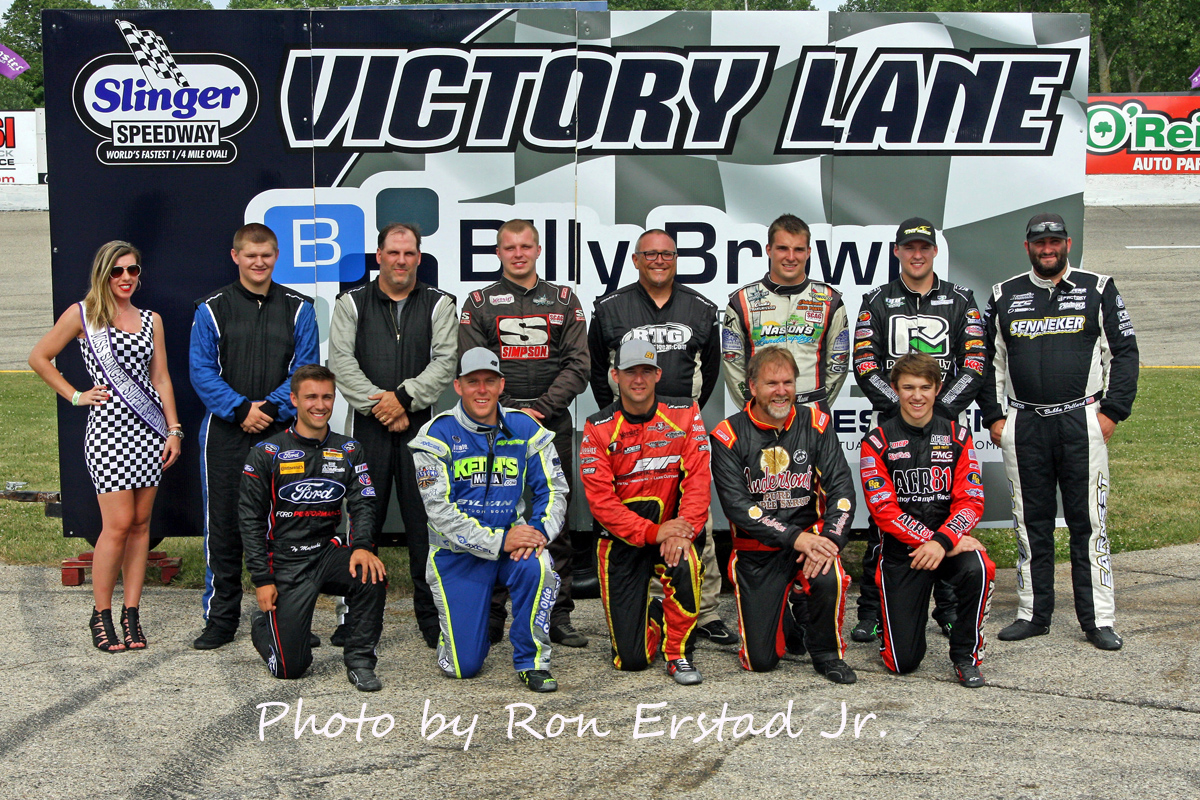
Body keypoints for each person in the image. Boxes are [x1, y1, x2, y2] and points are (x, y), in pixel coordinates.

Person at [978, 212, 1139, 651]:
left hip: (1080, 421)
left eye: (1054, 242)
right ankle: (1033, 612)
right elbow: (986, 361)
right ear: (1027, 246)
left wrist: (1111, 413)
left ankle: (1098, 619)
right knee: (1031, 524)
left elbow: (1123, 353)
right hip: (1025, 422)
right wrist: (995, 418)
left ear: (1067, 243)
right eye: (1038, 243)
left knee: (1089, 523)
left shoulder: (1098, 288)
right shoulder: (1004, 294)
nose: (1046, 249)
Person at [30, 241, 182, 652]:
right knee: (115, 526)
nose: (127, 278)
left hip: (150, 433)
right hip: (109, 434)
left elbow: (162, 378)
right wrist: (76, 395)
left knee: (140, 527)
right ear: (103, 274)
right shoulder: (83, 315)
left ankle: (131, 615)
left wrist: (173, 429)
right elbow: (40, 356)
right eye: (117, 272)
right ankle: (101, 616)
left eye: (133, 270)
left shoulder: (152, 319)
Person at [587, 228, 734, 647]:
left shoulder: (701, 308)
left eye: (666, 254)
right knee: (642, 510)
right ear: (636, 260)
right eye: (649, 254)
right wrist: (623, 412)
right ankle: (655, 603)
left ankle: (704, 611)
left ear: (676, 259)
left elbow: (712, 370)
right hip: (630, 423)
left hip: (682, 422)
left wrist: (682, 410)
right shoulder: (611, 307)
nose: (658, 261)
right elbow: (601, 370)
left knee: (694, 513)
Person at [849, 217, 988, 644]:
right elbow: (865, 362)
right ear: (897, 252)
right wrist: (900, 409)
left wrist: (938, 409)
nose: (916, 254)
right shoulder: (876, 300)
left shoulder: (961, 299)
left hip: (945, 422)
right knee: (884, 524)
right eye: (908, 247)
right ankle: (873, 610)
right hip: (894, 424)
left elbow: (976, 362)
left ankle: (946, 610)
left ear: (934, 252)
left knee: (945, 513)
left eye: (923, 248)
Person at [458, 219, 590, 648]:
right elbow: (473, 367)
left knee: (556, 520)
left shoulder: (564, 299)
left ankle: (559, 613)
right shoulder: (478, 303)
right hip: (495, 426)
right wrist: (508, 413)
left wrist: (540, 410)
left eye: (526, 246)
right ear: (498, 253)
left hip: (550, 423)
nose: (518, 253)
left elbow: (579, 365)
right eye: (509, 247)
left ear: (538, 250)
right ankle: (493, 613)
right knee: (493, 515)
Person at [190, 223, 318, 650]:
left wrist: (271, 410)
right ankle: (221, 619)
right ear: (236, 257)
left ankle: (289, 619)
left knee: (287, 528)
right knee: (224, 526)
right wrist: (241, 410)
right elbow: (202, 372)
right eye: (250, 255)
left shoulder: (300, 308)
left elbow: (305, 370)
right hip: (226, 433)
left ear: (276, 256)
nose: (259, 262)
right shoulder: (211, 308)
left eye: (266, 255)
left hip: (283, 432)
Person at [408, 348, 568, 692]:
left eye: (489, 381)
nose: (482, 390)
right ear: (458, 386)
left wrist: (538, 533)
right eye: (473, 382)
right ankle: (457, 639)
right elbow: (439, 512)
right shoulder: (435, 434)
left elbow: (554, 489)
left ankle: (532, 660)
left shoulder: (524, 427)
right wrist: (498, 541)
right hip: (456, 556)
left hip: (514, 546)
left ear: (501, 385)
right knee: (462, 668)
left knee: (539, 567)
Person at [329, 223, 457, 649]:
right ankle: (355, 618)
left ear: (419, 258)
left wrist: (402, 399)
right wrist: (380, 407)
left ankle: (432, 619)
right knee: (363, 522)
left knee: (427, 526)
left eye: (409, 253)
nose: (401, 260)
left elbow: (445, 362)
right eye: (393, 252)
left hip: (422, 432)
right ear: (379, 256)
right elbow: (341, 362)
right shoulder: (351, 303)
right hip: (368, 429)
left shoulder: (440, 304)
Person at [709, 346, 858, 684]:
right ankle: (790, 609)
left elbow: (842, 493)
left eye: (788, 382)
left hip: (810, 545)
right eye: (771, 383)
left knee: (828, 573)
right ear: (752, 386)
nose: (781, 391)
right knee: (761, 661)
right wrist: (795, 537)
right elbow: (738, 508)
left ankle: (827, 653)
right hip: (758, 554)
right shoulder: (726, 435)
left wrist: (830, 541)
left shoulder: (817, 424)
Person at [238, 365, 388, 691]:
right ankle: (264, 625)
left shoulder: (349, 449)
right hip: (285, 562)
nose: (319, 405)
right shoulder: (266, 453)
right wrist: (262, 579)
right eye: (311, 397)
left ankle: (361, 660)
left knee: (371, 571)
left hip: (326, 552)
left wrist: (362, 545)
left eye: (326, 397)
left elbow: (363, 502)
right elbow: (249, 521)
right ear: (293, 399)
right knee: (290, 668)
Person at [579, 341, 711, 686]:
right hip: (621, 542)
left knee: (688, 563)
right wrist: (655, 532)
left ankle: (678, 652)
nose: (638, 379)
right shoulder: (597, 428)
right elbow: (602, 504)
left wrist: (682, 533)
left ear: (658, 374)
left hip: (673, 535)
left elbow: (698, 480)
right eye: (630, 372)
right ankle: (654, 614)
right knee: (631, 660)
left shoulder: (685, 413)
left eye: (646, 371)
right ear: (615, 376)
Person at [860, 353, 995, 688]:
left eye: (924, 387)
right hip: (903, 554)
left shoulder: (959, 437)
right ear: (895, 390)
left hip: (946, 545)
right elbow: (884, 511)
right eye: (908, 387)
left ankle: (966, 655)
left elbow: (972, 500)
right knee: (902, 664)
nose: (916, 396)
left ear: (938, 389)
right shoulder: (875, 442)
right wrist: (931, 541)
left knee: (979, 565)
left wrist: (943, 541)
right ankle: (894, 624)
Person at [722, 213, 849, 410]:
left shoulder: (830, 300)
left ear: (808, 252)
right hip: (761, 413)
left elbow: (838, 363)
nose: (791, 257)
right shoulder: (742, 301)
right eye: (782, 248)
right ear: (769, 250)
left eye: (798, 249)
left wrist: (820, 404)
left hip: (813, 411)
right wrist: (753, 407)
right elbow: (733, 365)